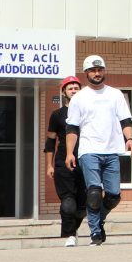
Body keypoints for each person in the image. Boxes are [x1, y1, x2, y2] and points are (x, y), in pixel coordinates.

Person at [64, 55, 132, 247]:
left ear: (104, 71)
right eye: (93, 70)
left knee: (113, 195)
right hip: (89, 150)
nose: (97, 73)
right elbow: (72, 128)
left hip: (112, 149)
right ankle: (95, 232)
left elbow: (126, 120)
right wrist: (70, 153)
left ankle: (98, 219)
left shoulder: (115, 94)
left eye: (100, 70)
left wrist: (130, 139)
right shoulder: (79, 98)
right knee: (94, 192)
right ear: (86, 73)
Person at [45, 75, 87, 247]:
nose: (73, 91)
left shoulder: (87, 111)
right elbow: (49, 142)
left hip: (85, 159)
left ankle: (73, 229)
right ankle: (69, 234)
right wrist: (49, 164)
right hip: (63, 162)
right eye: (70, 88)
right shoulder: (57, 115)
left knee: (84, 204)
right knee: (68, 202)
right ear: (64, 92)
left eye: (76, 88)